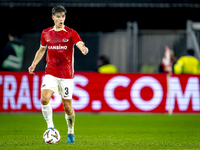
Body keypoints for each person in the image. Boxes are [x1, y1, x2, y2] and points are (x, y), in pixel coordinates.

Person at [28, 5, 89, 143]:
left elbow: (79, 43)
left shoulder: (71, 32)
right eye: (59, 16)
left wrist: (83, 48)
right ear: (53, 18)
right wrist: (33, 64)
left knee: (67, 107)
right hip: (51, 73)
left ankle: (71, 131)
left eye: (63, 16)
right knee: (44, 99)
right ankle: (50, 127)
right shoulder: (46, 33)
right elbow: (42, 50)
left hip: (66, 76)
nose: (61, 19)